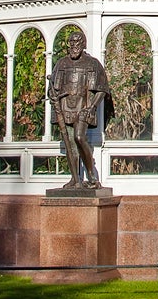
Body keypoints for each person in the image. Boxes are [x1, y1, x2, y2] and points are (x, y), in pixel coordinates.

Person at [48, 34, 113, 189]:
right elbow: (52, 89)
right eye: (71, 43)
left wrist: (92, 106)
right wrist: (53, 96)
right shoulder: (62, 63)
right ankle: (75, 179)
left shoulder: (92, 63)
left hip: (83, 107)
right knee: (70, 144)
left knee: (79, 137)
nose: (74, 46)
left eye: (77, 43)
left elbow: (102, 89)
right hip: (65, 108)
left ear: (83, 44)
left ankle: (92, 177)